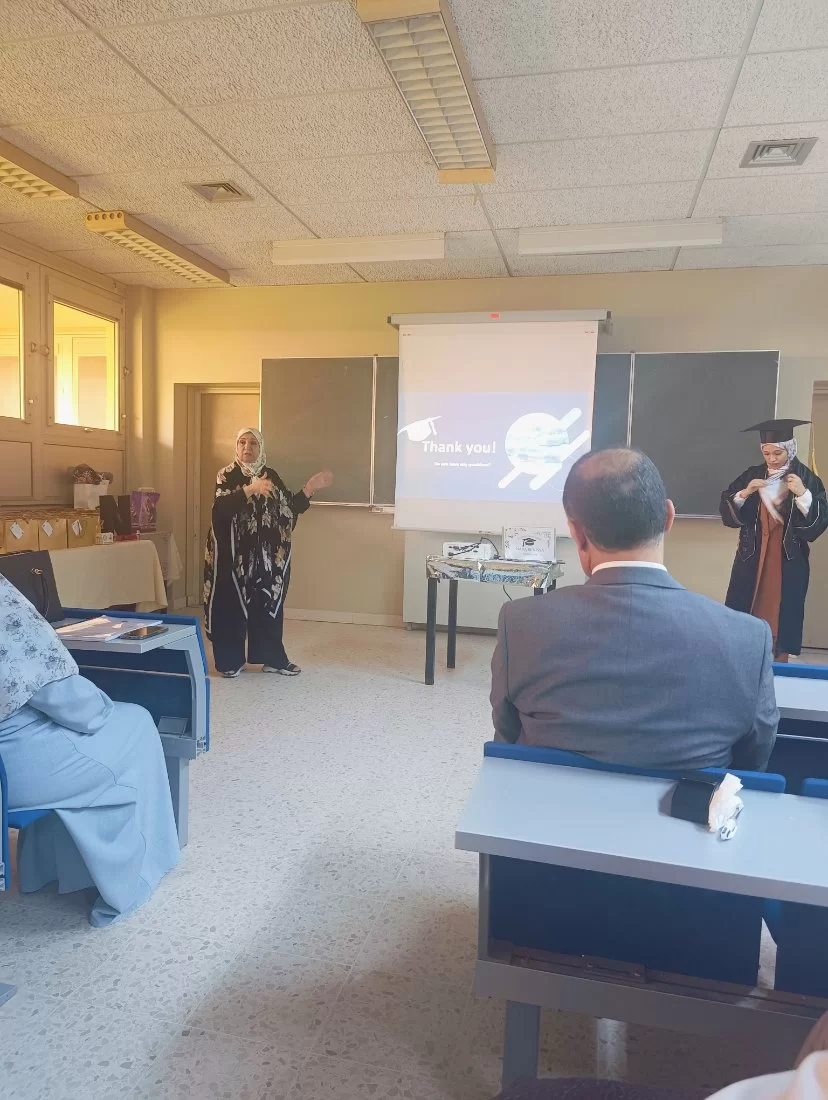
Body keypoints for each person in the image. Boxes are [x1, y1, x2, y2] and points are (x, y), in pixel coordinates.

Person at [490, 448, 778, 771]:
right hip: (689, 805)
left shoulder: (519, 624)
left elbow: (508, 747)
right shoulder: (749, 639)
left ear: (576, 533)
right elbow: (752, 764)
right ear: (668, 517)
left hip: (551, 801)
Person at [0, 575, 179, 927]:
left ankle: (41, 870)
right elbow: (69, 702)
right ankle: (133, 881)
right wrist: (102, 706)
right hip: (17, 768)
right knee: (137, 721)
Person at [204, 427, 332, 678]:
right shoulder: (226, 475)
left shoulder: (270, 475)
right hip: (233, 556)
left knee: (268, 603)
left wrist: (309, 488)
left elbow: (288, 510)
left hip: (265, 558)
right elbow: (220, 509)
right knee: (230, 605)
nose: (247, 447)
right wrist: (250, 490)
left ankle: (272, 658)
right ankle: (230, 662)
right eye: (242, 442)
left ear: (261, 448)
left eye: (253, 443)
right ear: (236, 446)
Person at [721, 419, 827, 662]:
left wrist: (803, 494)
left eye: (777, 453)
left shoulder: (806, 478)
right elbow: (728, 509)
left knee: (780, 611)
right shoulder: (752, 475)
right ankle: (744, 659)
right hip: (753, 556)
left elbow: (818, 523)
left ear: (790, 448)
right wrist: (746, 492)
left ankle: (778, 661)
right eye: (766, 453)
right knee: (746, 607)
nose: (772, 459)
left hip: (787, 559)